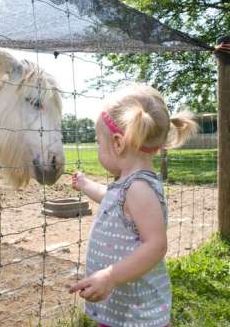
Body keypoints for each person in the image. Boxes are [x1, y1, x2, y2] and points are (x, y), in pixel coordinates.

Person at [67, 83, 197, 326]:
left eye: (98, 142)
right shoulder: (129, 185)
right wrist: (86, 185)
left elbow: (156, 245)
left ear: (117, 143)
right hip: (123, 306)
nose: (97, 147)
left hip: (138, 312)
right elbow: (111, 198)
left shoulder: (139, 188)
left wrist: (110, 276)